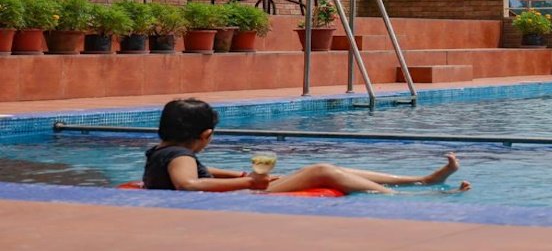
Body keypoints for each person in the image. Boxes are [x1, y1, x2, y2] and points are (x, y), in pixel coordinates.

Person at [143, 98, 470, 194]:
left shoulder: (164, 151)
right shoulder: (180, 156)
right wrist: (248, 182)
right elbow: (186, 182)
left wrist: (240, 173)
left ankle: (421, 181)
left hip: (244, 187)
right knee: (322, 169)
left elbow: (201, 171)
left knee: (335, 170)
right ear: (206, 134)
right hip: (242, 196)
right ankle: (410, 193)